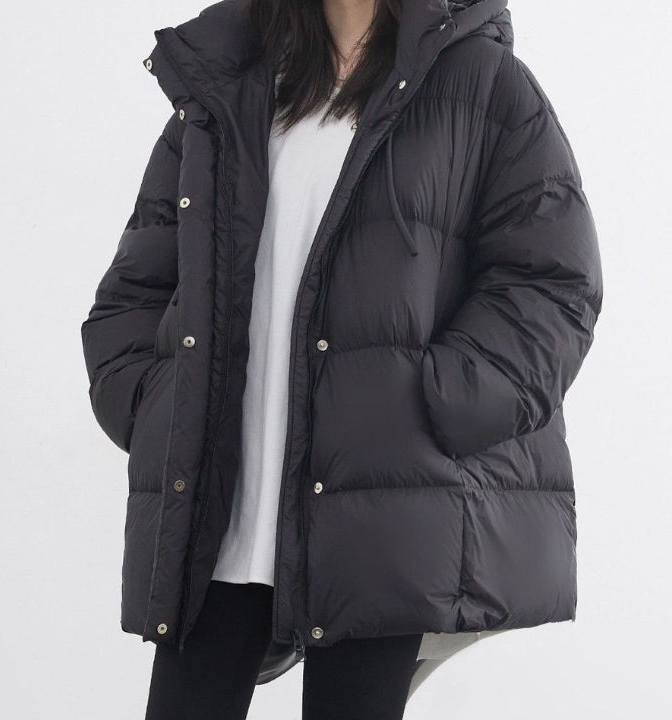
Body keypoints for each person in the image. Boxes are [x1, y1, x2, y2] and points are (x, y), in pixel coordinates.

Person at [80, 0, 603, 718]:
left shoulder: (483, 85)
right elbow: (139, 286)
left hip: (382, 508)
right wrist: (153, 407)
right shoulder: (229, 82)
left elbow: (552, 280)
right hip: (220, 505)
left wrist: (439, 403)